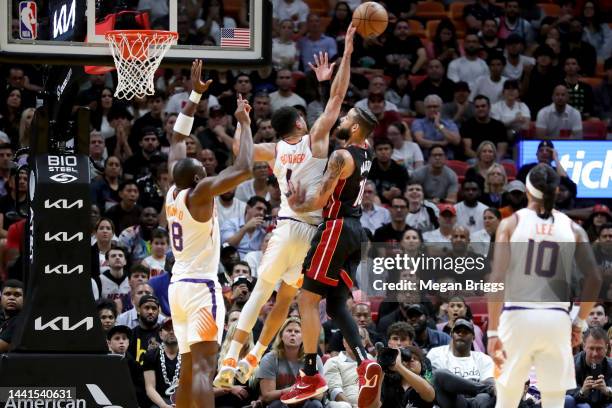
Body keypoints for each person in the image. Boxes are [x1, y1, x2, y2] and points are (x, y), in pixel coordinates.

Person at [215, 30, 357, 389]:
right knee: (287, 299)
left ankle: (233, 355)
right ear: (298, 122)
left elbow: (239, 152)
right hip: (312, 235)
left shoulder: (274, 150)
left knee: (263, 292)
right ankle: (255, 354)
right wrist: (348, 48)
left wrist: (244, 122)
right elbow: (338, 98)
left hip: (286, 226)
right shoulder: (315, 141)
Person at [164, 60, 254, 408]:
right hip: (201, 288)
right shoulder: (199, 193)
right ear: (198, 179)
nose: (208, 172)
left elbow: (177, 137)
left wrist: (196, 94)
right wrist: (243, 125)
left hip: (179, 288)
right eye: (204, 171)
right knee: (204, 368)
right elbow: (245, 168)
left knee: (189, 368)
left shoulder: (174, 189)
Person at [283, 105, 383, 407]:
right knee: (337, 303)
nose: (340, 120)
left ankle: (311, 372)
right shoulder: (367, 152)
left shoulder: (342, 157)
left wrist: (296, 204)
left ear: (354, 129)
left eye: (346, 118)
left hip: (336, 229)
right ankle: (365, 361)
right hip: (356, 232)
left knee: (307, 299)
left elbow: (321, 198)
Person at [487, 164, 602, 408]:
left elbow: (496, 280)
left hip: (517, 317)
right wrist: (578, 322)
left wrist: (493, 332)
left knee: (507, 399)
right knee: (553, 402)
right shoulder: (573, 228)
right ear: (556, 191)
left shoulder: (510, 224)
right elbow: (595, 279)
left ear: (528, 191)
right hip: (556, 320)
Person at [257, 317, 324, 408]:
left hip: (305, 402)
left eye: (297, 331)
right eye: (289, 331)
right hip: (280, 401)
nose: (293, 334)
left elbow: (320, 395)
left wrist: (300, 392)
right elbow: (267, 396)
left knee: (316, 405)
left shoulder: (314, 359)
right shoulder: (269, 359)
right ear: (281, 336)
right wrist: (294, 389)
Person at [428, 319, 495, 408]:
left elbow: (491, 381)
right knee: (438, 374)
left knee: (484, 397)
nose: (461, 334)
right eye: (458, 331)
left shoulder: (483, 358)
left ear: (473, 337)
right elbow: (429, 378)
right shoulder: (436, 353)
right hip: (452, 401)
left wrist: (454, 383)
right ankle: (481, 389)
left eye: (465, 332)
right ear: (451, 334)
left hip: (477, 401)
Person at [565, 327, 612, 407]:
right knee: (570, 400)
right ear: (584, 346)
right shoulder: (572, 365)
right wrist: (582, 392)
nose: (595, 354)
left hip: (604, 404)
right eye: (591, 348)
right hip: (580, 404)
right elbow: (566, 390)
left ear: (606, 348)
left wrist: (607, 391)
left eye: (599, 349)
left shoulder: (610, 365)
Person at [143, 318, 181, 408]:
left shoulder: (189, 355)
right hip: (160, 401)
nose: (171, 332)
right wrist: (163, 406)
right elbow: (150, 388)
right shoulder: (150, 355)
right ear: (160, 334)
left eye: (174, 328)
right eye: (167, 328)